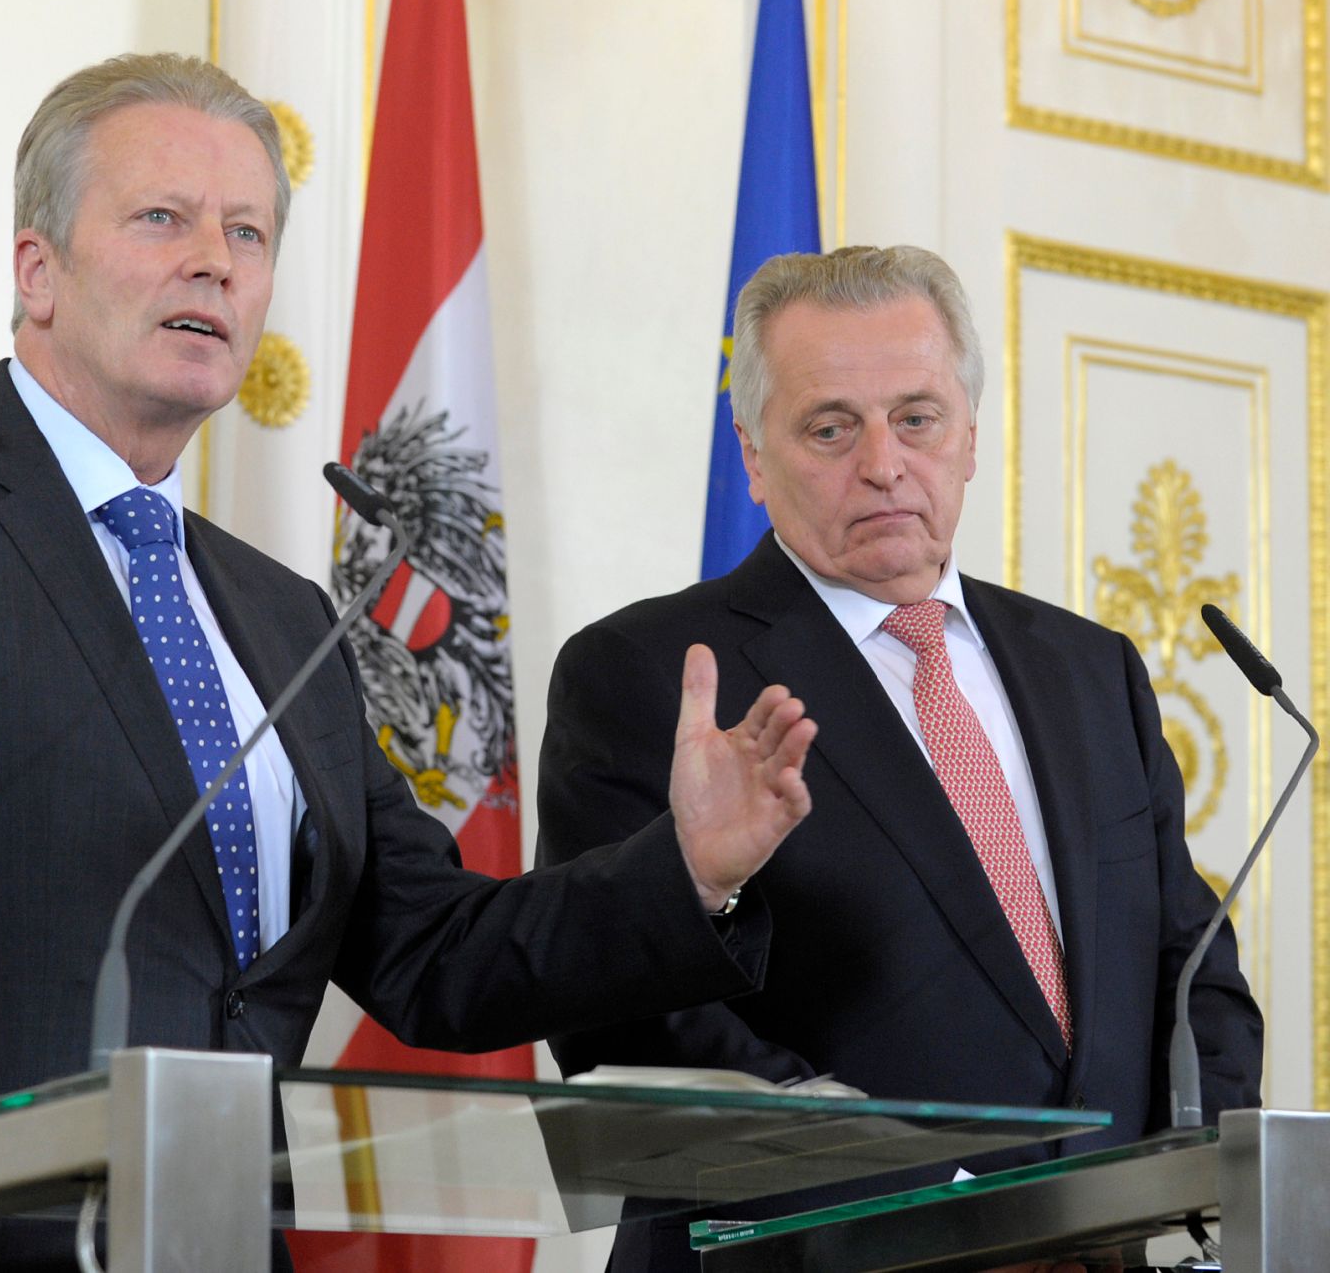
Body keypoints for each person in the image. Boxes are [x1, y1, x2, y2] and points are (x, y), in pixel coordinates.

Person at [0, 53, 815, 1269]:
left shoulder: (285, 617)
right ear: (35, 269)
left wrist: (685, 869)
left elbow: (435, 955)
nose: (216, 259)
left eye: (247, 233)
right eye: (163, 218)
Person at [535, 245, 1264, 1271]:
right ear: (751, 452)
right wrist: (953, 1209)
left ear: (966, 434)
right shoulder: (649, 673)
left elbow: (1194, 977)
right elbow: (626, 1016)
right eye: (830, 426)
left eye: (915, 417)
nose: (882, 462)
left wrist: (1186, 1189)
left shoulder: (1090, 669)